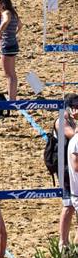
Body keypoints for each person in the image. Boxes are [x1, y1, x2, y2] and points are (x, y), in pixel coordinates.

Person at [56, 94, 78, 246]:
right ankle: (63, 242)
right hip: (65, 166)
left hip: (71, 162)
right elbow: (72, 134)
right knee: (68, 205)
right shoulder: (61, 120)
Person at [0, 0, 22, 102]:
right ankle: (13, 97)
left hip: (6, 45)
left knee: (9, 74)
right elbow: (20, 25)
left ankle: (11, 99)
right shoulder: (14, 13)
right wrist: (14, 33)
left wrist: (0, 31)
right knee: (12, 73)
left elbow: (6, 20)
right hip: (13, 43)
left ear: (3, 4)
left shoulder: (6, 13)